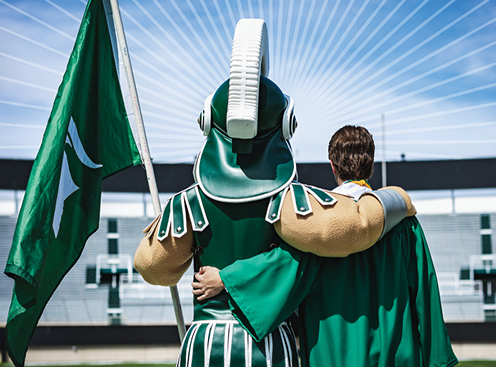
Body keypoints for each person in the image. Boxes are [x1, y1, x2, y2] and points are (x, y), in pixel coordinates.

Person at [133, 19, 416, 367]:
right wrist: (397, 198)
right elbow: (357, 228)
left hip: (203, 345)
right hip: (266, 346)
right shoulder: (288, 203)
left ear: (208, 121)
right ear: (285, 125)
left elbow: (151, 267)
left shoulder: (187, 205)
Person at [191, 126, 458, 367]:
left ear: (332, 165)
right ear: (371, 165)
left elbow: (282, 266)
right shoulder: (405, 226)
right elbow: (425, 293)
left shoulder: (320, 228)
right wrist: (437, 358)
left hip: (334, 356)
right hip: (397, 355)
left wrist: (225, 279)